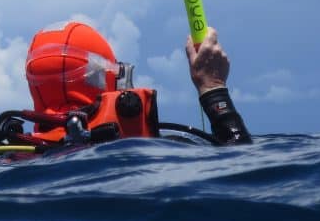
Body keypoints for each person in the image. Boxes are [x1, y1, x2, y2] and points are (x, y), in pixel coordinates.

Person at [18, 20, 251, 146]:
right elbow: (240, 167)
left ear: (33, 86)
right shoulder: (155, 151)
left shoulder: (11, 154)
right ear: (110, 77)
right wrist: (213, 87)